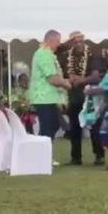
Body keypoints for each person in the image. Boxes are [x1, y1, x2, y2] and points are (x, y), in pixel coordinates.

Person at [57, 32, 105, 166]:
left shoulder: (93, 55)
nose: (78, 44)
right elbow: (60, 75)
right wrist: (69, 79)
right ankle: (76, 157)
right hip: (73, 95)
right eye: (75, 41)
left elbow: (96, 77)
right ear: (71, 43)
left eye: (80, 41)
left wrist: (81, 80)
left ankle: (99, 155)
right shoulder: (65, 57)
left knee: (94, 126)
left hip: (90, 95)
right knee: (74, 127)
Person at [28, 30, 71, 166]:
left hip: (49, 97)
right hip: (44, 97)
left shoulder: (45, 54)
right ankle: (43, 158)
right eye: (58, 41)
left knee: (53, 125)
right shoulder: (44, 54)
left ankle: (44, 155)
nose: (59, 45)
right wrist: (66, 84)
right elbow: (52, 78)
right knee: (48, 127)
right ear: (50, 40)